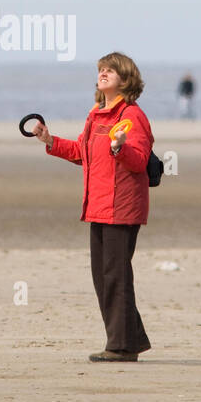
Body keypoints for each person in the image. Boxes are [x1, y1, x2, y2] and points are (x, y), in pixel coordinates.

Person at [32, 52, 154, 362]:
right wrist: (50, 141)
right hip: (98, 205)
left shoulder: (131, 116)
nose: (103, 74)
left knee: (115, 275)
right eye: (100, 70)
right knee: (104, 275)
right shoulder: (96, 114)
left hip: (121, 206)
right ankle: (130, 339)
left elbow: (139, 161)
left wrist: (120, 147)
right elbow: (81, 152)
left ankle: (121, 347)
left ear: (125, 79)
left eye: (110, 70)